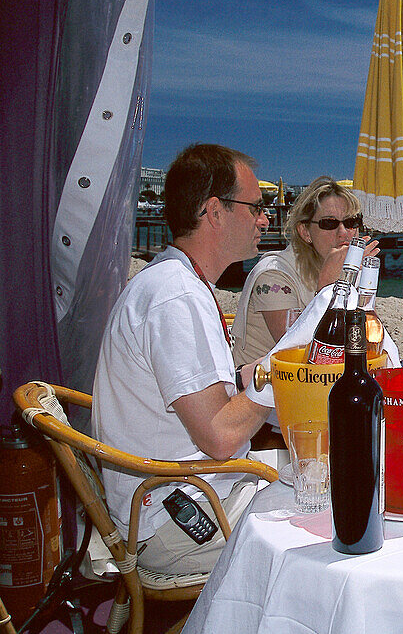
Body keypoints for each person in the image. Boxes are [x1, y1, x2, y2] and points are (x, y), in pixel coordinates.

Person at [91, 143, 278, 576]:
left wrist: (240, 378)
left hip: (180, 496)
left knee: (322, 474)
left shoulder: (174, 280)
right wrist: (278, 374)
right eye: (255, 207)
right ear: (215, 212)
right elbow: (220, 436)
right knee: (336, 507)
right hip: (179, 519)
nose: (264, 218)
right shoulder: (175, 295)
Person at [231, 176, 378, 365]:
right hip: (263, 385)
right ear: (305, 231)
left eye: (351, 222)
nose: (343, 232)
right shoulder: (273, 275)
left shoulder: (350, 272)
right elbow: (305, 353)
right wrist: (327, 287)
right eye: (329, 223)